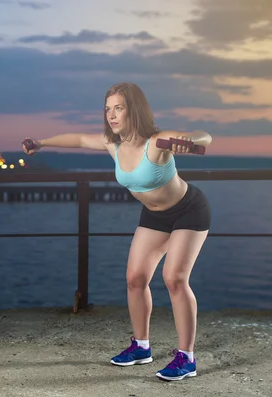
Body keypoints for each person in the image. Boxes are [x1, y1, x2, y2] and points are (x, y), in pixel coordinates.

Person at [21, 82, 212, 382]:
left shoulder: (157, 141)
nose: (111, 115)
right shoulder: (114, 144)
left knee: (174, 278)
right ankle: (141, 347)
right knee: (135, 279)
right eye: (108, 109)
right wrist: (41, 142)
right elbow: (81, 139)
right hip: (154, 216)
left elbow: (205, 136)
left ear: (133, 109)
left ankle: (186, 358)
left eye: (118, 108)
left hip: (189, 210)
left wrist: (188, 140)